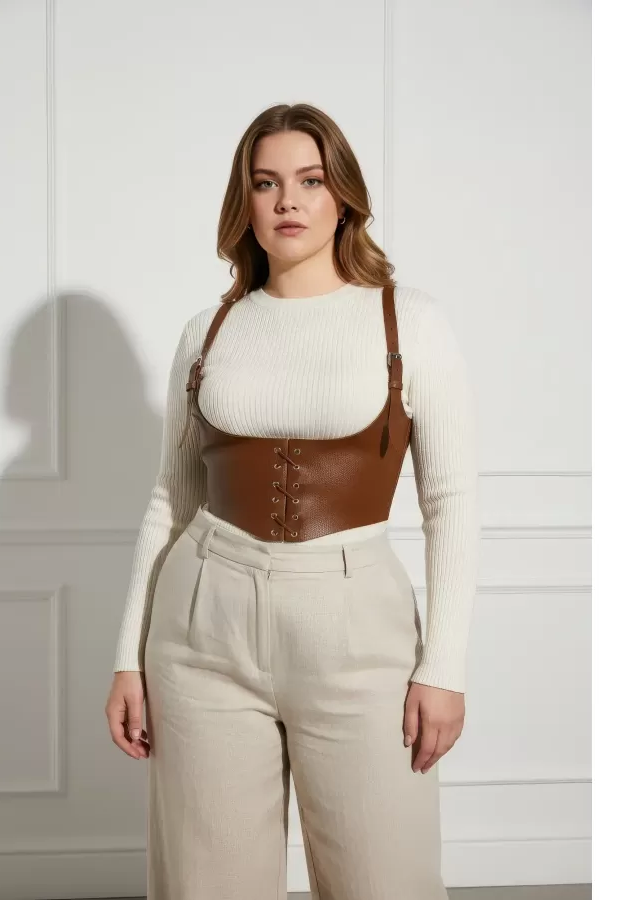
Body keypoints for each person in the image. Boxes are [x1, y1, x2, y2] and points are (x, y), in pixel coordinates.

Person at [105, 102, 480, 900]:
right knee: (207, 883)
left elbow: (451, 502)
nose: (288, 201)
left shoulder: (409, 321)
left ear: (343, 196)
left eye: (310, 181)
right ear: (243, 200)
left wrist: (444, 666)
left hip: (357, 625)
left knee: (387, 880)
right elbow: (171, 498)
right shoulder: (208, 330)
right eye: (265, 182)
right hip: (201, 626)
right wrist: (126, 657)